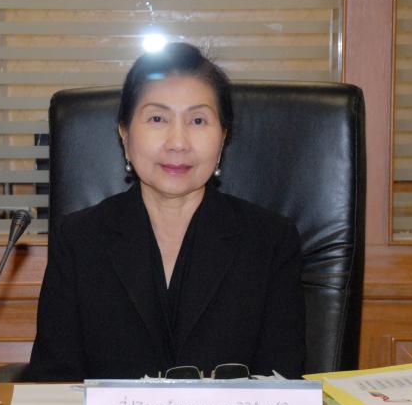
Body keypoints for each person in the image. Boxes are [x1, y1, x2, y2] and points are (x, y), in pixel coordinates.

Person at [27, 42, 305, 381]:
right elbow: (52, 385)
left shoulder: (271, 242)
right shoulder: (79, 240)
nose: (178, 142)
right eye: (157, 118)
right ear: (125, 133)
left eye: (198, 120)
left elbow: (282, 385)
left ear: (223, 136)